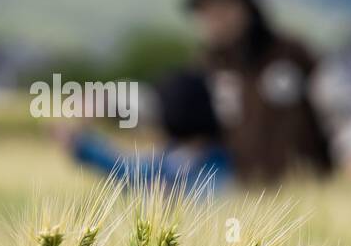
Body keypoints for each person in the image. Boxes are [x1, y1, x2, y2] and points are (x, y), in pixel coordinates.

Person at [184, 0, 351, 182]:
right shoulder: (203, 71)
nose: (214, 19)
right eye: (206, 11)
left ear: (248, 8)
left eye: (222, 8)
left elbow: (345, 113)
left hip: (307, 197)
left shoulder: (296, 56)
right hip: (242, 203)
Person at [67, 68, 231, 191]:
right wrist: (81, 144)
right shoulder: (175, 155)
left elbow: (134, 174)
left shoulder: (214, 169)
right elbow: (131, 171)